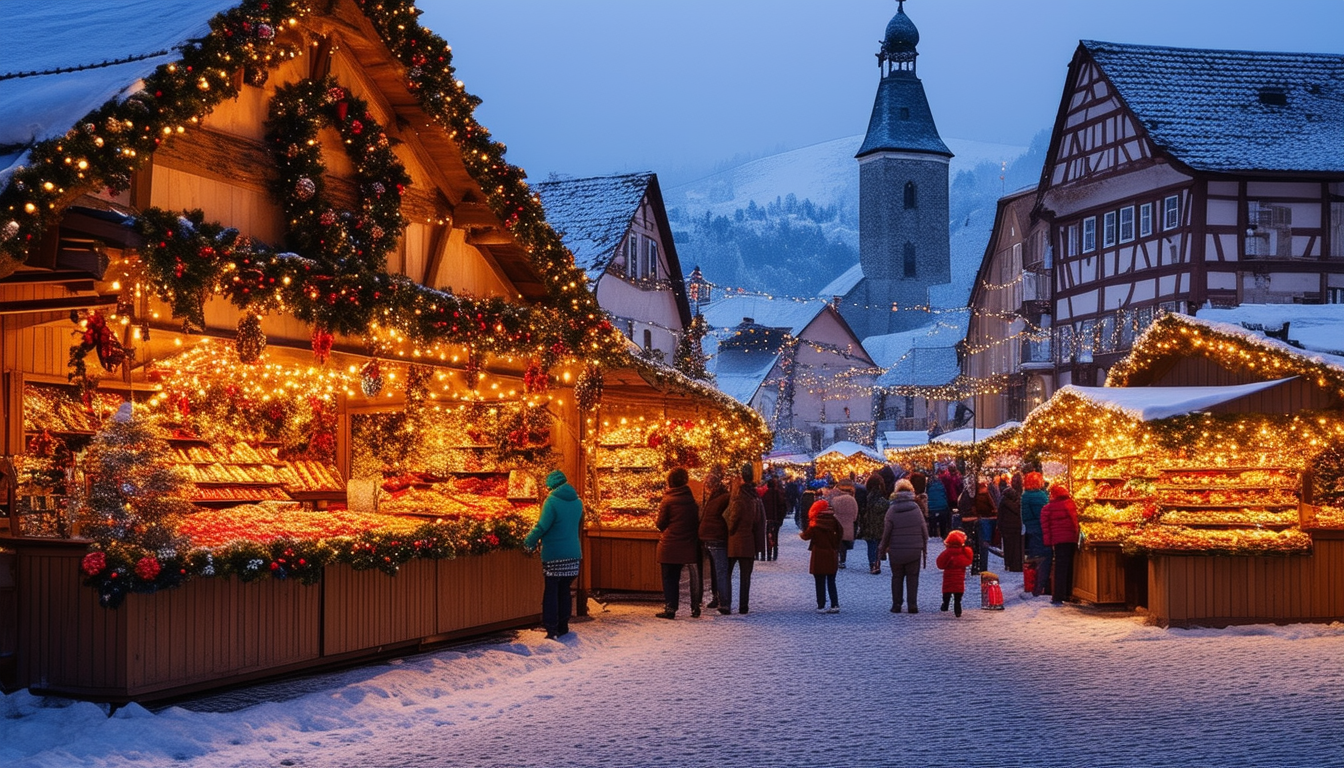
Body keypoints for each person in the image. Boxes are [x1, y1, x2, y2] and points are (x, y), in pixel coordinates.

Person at [523, 469, 584, 639]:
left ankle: (551, 628)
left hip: (555, 554)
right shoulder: (578, 502)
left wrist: (529, 541)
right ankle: (563, 626)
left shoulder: (552, 501)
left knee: (551, 590)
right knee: (564, 589)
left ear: (551, 485)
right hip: (573, 555)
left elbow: (542, 526)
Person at [654, 467, 702, 619]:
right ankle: (695, 607)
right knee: (693, 577)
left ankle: (671, 607)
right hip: (689, 544)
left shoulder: (667, 501)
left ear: (670, 482)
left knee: (670, 577)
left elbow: (660, 524)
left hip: (670, 545)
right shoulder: (692, 502)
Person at [878, 478, 928, 613]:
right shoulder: (916, 508)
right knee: (913, 578)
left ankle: (896, 605)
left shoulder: (892, 510)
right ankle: (912, 605)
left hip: (896, 550)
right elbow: (924, 530)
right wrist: (923, 545)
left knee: (897, 577)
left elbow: (886, 532)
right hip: (914, 550)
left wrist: (882, 548)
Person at [725, 464, 766, 614]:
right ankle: (744, 606)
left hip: (735, 541)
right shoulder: (755, 497)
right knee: (745, 577)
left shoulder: (739, 498)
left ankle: (726, 603)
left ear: (742, 477)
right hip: (750, 542)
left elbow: (733, 520)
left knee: (727, 574)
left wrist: (728, 529)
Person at [1040, 483, 1080, 604]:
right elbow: (1075, 522)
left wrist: (1048, 542)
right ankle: (1068, 593)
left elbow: (1045, 527)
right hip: (1071, 539)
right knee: (1069, 566)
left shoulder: (1047, 508)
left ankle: (1058, 595)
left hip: (1058, 541)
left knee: (1060, 567)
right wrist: (1076, 535)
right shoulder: (1070, 504)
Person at [800, 499, 842, 613]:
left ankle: (821, 605)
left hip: (818, 555)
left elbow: (805, 536)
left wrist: (803, 530)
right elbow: (840, 534)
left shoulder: (815, 524)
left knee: (819, 581)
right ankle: (835, 604)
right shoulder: (834, 521)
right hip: (831, 554)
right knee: (831, 581)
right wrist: (835, 546)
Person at [699, 471, 731, 611]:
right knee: (717, 570)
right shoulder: (719, 497)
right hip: (714, 537)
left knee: (720, 571)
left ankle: (723, 602)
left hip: (714, 538)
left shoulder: (720, 498)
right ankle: (718, 599)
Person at [1020, 471, 1050, 597]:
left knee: (1035, 556)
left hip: (1031, 528)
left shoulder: (1025, 495)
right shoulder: (1038, 495)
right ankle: (1040, 587)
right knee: (1044, 556)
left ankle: (1033, 585)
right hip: (1039, 529)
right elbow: (1043, 513)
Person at [936, 529, 974, 617]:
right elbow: (968, 561)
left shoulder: (947, 553)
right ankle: (957, 607)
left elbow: (940, 563)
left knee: (947, 591)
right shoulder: (964, 552)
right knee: (958, 592)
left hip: (948, 576)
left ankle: (945, 604)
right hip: (960, 576)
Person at [858, 475, 889, 574]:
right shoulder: (882, 497)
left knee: (871, 545)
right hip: (879, 525)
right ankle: (877, 563)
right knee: (878, 545)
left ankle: (873, 564)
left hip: (868, 526)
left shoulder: (865, 497)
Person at [830, 478, 859, 568]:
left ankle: (836, 559)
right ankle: (842, 560)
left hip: (837, 524)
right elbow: (855, 514)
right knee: (844, 544)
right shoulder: (852, 500)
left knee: (837, 542)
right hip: (848, 524)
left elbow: (832, 511)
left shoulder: (835, 499)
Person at [998, 473, 1024, 572]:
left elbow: (1000, 513)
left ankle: (1008, 564)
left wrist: (999, 525)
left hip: (1006, 525)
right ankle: (1016, 565)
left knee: (1007, 545)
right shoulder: (1020, 498)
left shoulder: (1004, 498)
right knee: (1017, 546)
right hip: (1016, 525)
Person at [761, 476, 788, 561]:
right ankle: (774, 553)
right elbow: (783, 507)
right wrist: (781, 518)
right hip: (776, 519)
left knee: (767, 535)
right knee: (775, 536)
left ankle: (767, 555)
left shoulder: (765, 495)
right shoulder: (779, 494)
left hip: (767, 519)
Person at [973, 480, 996, 574]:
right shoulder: (987, 495)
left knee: (982, 544)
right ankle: (983, 567)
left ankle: (982, 566)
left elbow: (974, 508)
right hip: (987, 519)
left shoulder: (975, 496)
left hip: (980, 518)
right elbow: (993, 506)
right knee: (985, 544)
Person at [925, 470, 950, 539]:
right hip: (942, 507)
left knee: (932, 525)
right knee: (943, 523)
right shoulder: (941, 485)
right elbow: (945, 495)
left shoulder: (928, 486)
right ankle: (943, 536)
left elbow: (927, 496)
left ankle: (932, 536)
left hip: (932, 508)